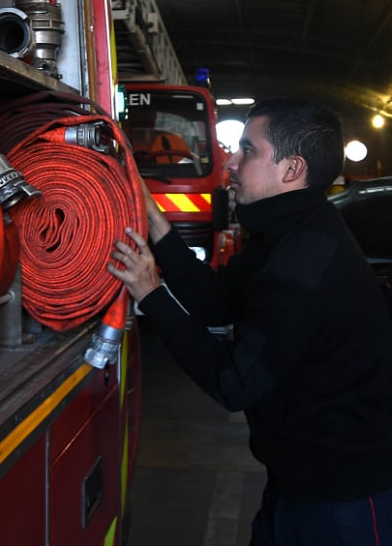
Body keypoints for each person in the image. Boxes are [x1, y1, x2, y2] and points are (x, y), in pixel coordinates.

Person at [108, 98, 392, 545]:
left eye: (247, 150)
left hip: (343, 501)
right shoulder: (285, 232)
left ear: (292, 169)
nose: (231, 163)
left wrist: (151, 295)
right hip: (297, 483)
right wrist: (153, 220)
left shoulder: (304, 261)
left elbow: (234, 382)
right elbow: (216, 301)